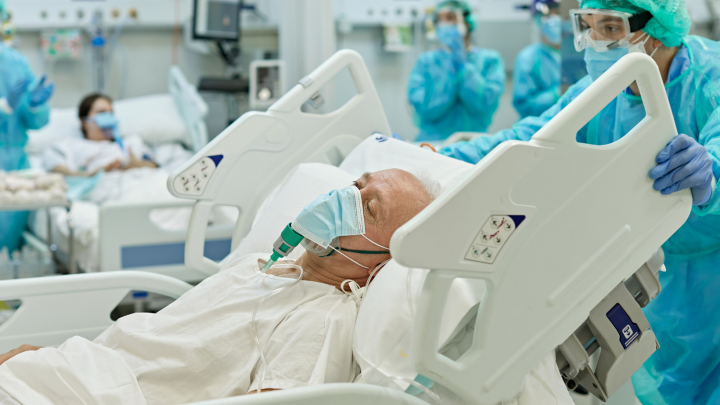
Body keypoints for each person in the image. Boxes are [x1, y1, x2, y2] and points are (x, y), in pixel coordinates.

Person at [440, 0, 720, 403]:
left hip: (713, 264)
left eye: (610, 28)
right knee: (666, 386)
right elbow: (527, 141)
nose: (595, 43)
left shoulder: (709, 77)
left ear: (657, 30)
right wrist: (438, 156)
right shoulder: (601, 91)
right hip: (657, 268)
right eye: (587, 27)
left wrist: (711, 174)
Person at [0, 169, 437, 405]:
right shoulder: (260, 265)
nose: (345, 198)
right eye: (356, 185)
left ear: (383, 262)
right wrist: (54, 358)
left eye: (369, 208)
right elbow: (161, 346)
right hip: (73, 372)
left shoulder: (320, 318)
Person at [407, 0, 506, 142]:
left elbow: (486, 104)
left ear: (467, 22)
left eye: (450, 17)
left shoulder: (490, 60)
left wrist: (463, 69)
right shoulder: (426, 61)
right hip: (432, 142)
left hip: (474, 142)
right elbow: (423, 108)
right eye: (439, 19)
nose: (444, 24)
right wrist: (451, 76)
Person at [0, 0, 54, 252]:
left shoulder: (16, 62)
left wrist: (34, 105)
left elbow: (36, 122)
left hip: (15, 165)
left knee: (8, 247)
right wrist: (4, 106)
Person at [43, 93, 157, 176]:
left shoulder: (130, 142)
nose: (108, 117)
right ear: (84, 122)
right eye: (102, 112)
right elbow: (58, 172)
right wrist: (94, 174)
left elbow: (156, 165)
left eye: (111, 113)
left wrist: (137, 165)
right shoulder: (68, 145)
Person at [512, 0, 562, 119]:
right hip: (540, 126)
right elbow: (524, 107)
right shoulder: (527, 58)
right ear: (538, 21)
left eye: (558, 13)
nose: (555, 19)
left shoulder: (581, 54)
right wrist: (558, 94)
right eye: (548, 15)